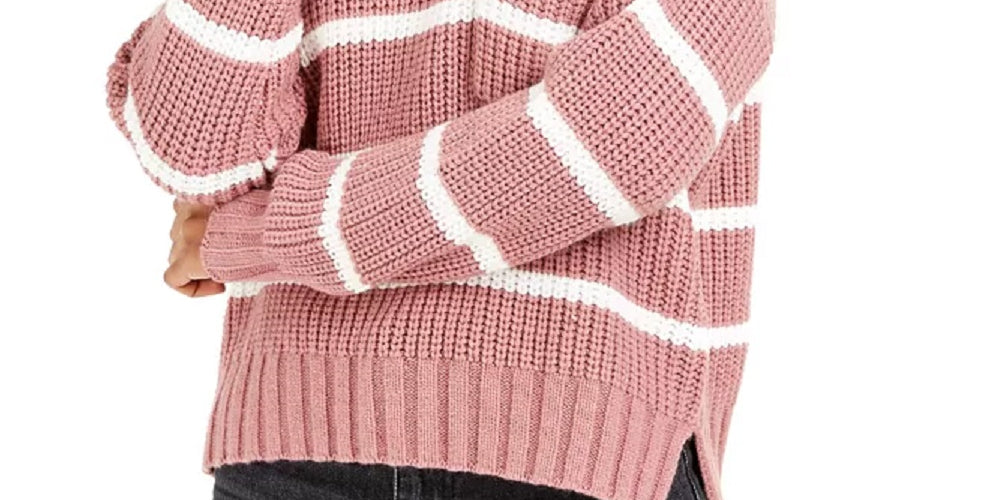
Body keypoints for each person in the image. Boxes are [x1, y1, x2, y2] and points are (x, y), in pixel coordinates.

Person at [105, 0, 773, 498]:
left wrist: (270, 232)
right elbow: (195, 151)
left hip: (577, 448)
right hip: (295, 441)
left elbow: (620, 138)